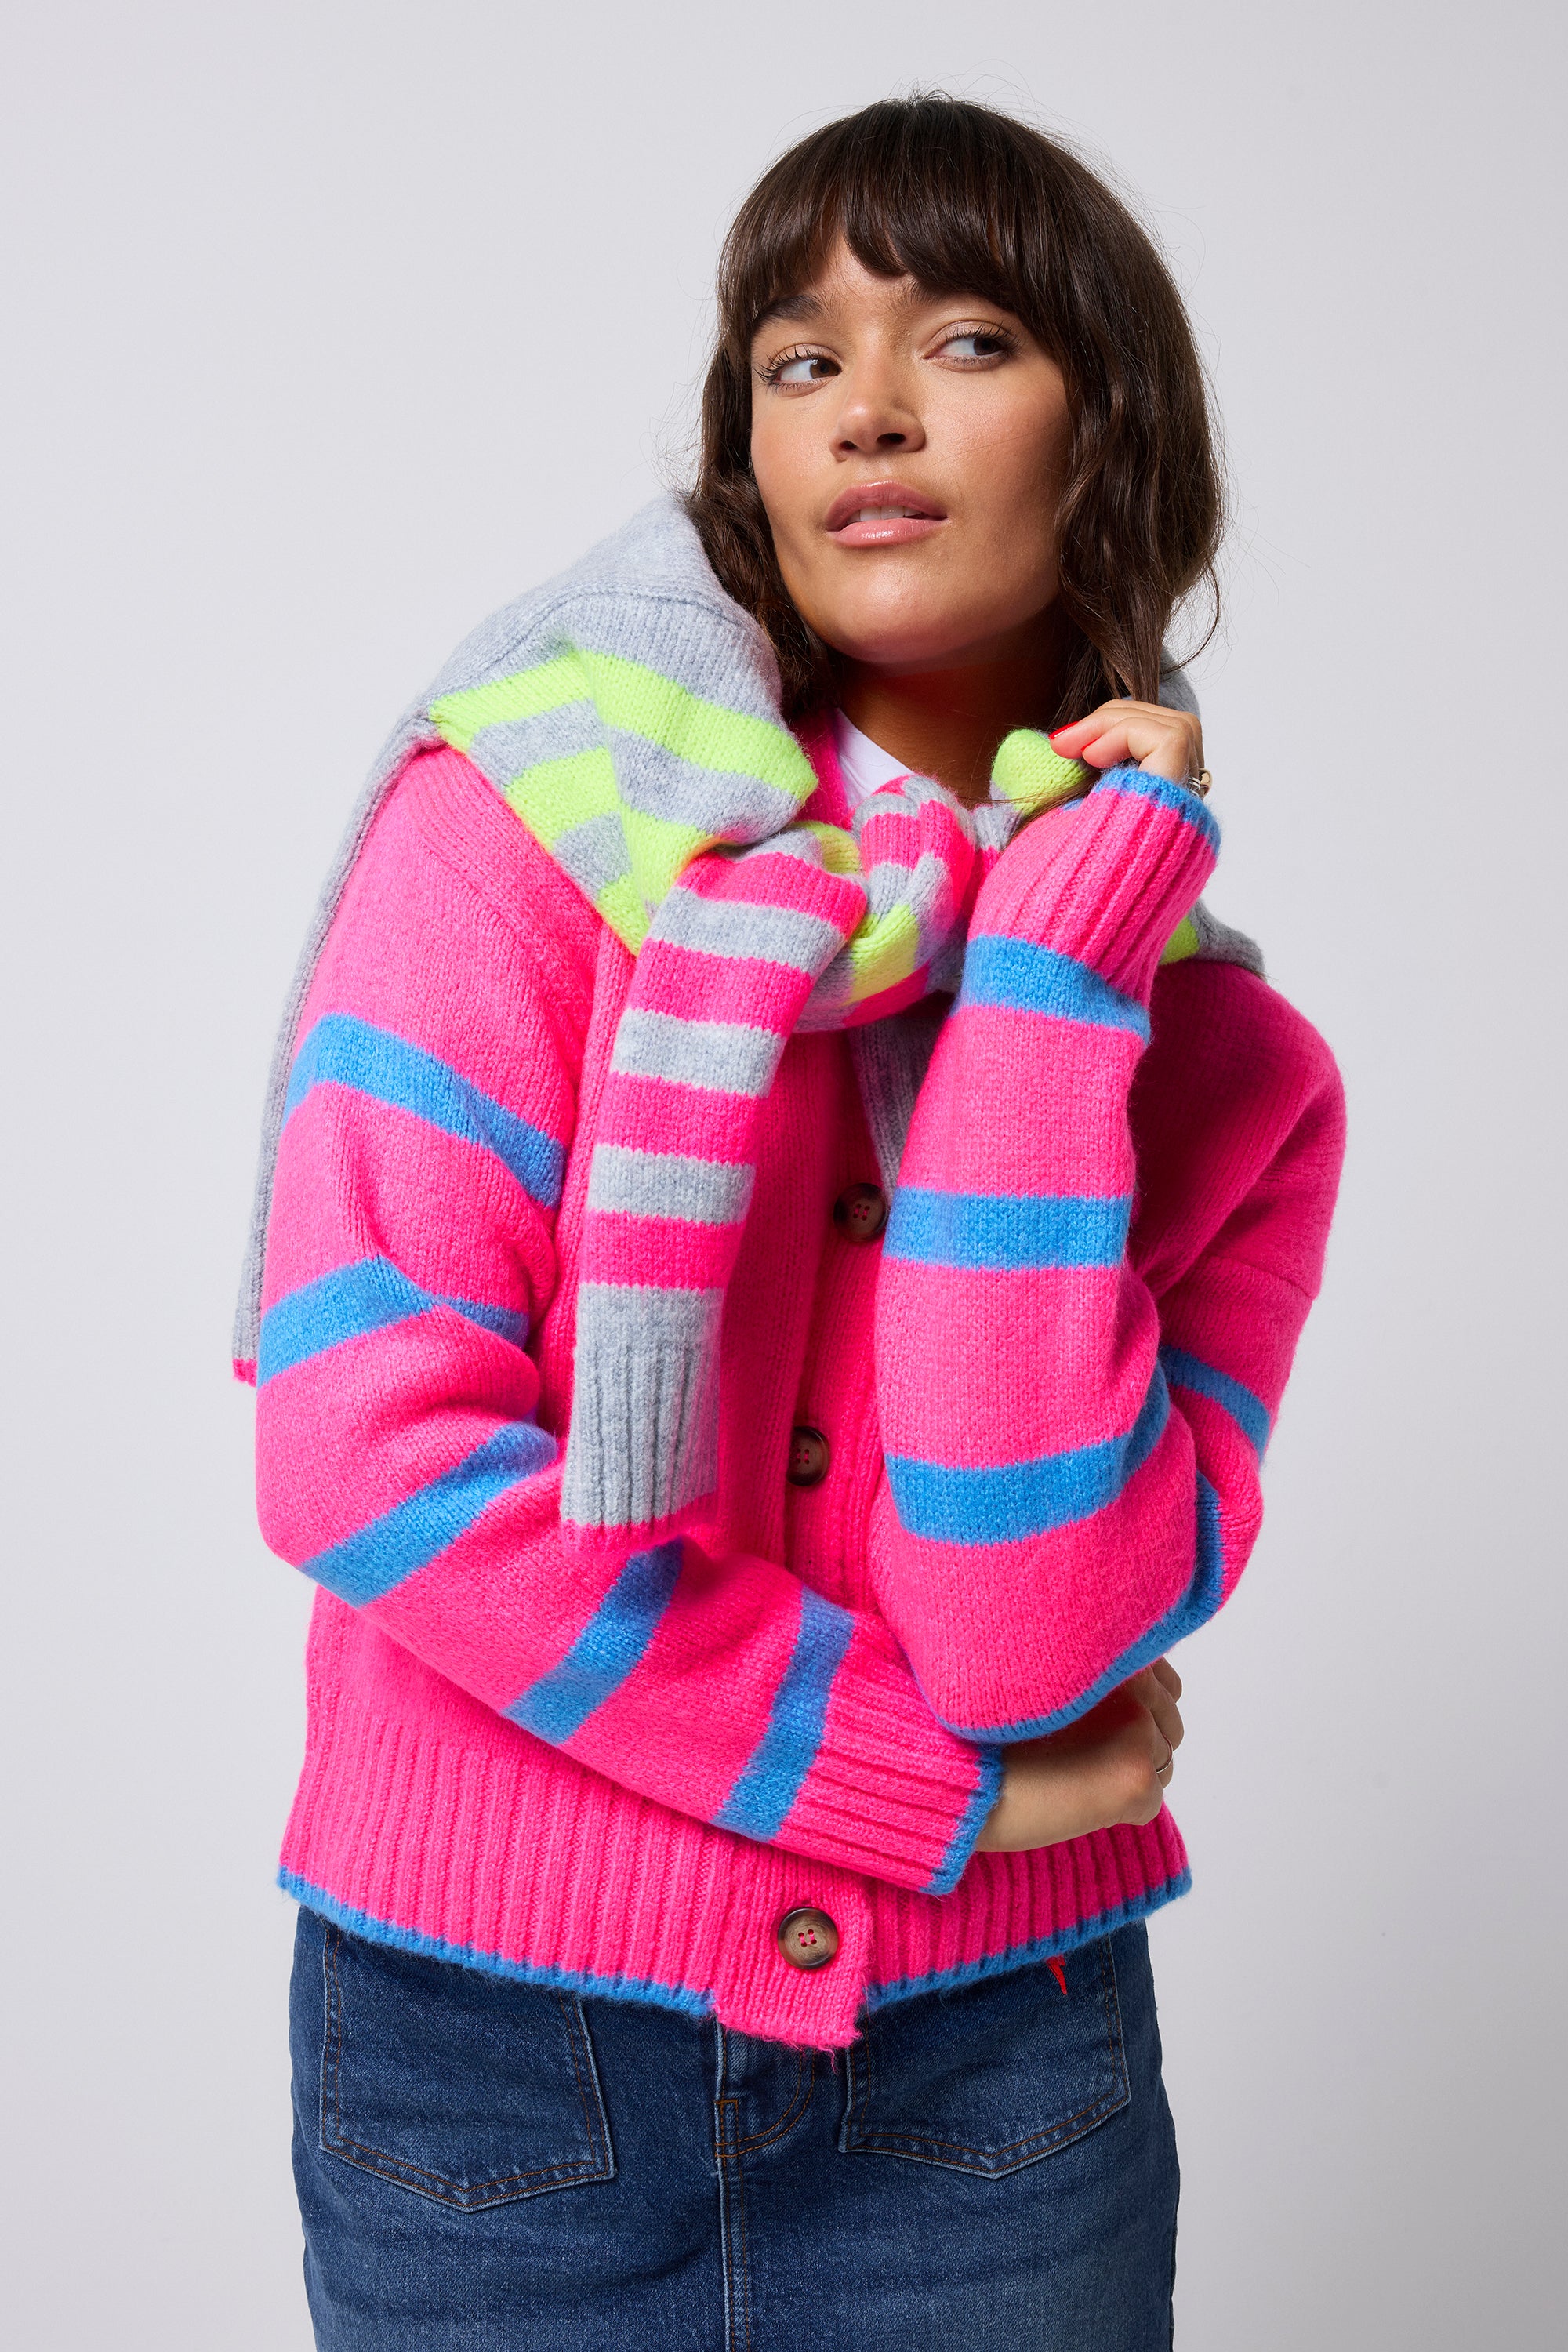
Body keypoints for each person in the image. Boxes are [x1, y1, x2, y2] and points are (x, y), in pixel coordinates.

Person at [238, 93, 1345, 2350]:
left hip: (993, 2081)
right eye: (800, 356)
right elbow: (360, 1442)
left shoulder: (1230, 1073)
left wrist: (1052, 982)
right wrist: (914, 1788)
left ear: (1112, 432)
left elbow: (1023, 1625)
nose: (870, 409)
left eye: (968, 338)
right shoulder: (533, 828)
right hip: (494, 2071)